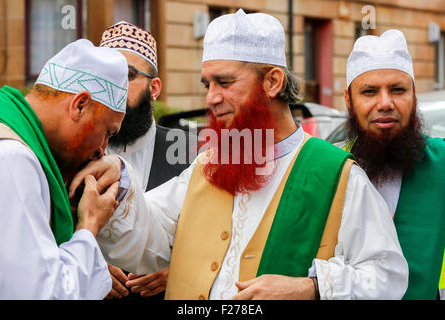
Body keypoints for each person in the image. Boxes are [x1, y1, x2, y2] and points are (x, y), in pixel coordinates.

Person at [74, 9, 408, 300]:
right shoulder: (207, 166)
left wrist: (311, 288)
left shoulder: (338, 176)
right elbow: (151, 235)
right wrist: (117, 178)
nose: (211, 98)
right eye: (208, 85)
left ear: (273, 82)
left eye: (224, 82)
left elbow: (387, 274)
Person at [0, 39, 128, 299]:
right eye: (108, 132)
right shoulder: (13, 160)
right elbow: (42, 293)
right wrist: (89, 225)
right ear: (79, 105)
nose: (102, 150)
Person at [341, 29, 445, 300]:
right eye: (370, 91)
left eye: (398, 90)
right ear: (349, 101)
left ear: (414, 96)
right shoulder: (330, 170)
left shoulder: (442, 163)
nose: (385, 103)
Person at [98, 21, 195, 299]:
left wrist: (178, 270)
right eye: (106, 76)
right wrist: (89, 267)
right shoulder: (74, 152)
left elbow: (217, 236)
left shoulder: (190, 152)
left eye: (127, 75)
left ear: (154, 88)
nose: (113, 87)